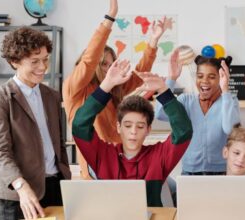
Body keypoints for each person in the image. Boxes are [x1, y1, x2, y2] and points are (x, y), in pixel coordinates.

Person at [63, 0, 167, 180]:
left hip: (120, 162)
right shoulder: (76, 87)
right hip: (97, 168)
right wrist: (110, 18)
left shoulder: (114, 88)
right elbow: (89, 59)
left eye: (111, 64)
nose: (108, 69)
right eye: (103, 64)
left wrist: (153, 41)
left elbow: (139, 74)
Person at [71, 54, 193, 207]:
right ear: (118, 127)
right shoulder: (103, 155)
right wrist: (106, 86)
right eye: (127, 126)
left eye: (140, 126)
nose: (133, 132)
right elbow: (79, 125)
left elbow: (184, 130)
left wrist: (163, 90)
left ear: (148, 130)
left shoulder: (159, 156)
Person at [0, 27, 71, 220]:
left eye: (45, 59)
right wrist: (21, 186)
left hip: (54, 188)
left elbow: (57, 142)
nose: (43, 67)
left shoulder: (51, 95)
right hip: (19, 193)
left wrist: (65, 175)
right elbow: (0, 152)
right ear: (14, 62)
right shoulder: (0, 98)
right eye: (35, 61)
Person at [155, 54, 240, 175]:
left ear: (221, 78)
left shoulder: (229, 100)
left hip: (220, 173)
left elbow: (230, 129)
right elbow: (160, 113)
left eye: (211, 77)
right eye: (200, 76)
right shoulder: (185, 101)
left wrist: (225, 89)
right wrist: (171, 79)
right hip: (189, 173)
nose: (204, 81)